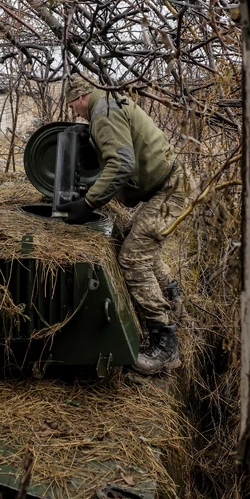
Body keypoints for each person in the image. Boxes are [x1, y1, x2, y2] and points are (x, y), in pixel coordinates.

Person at [57, 75, 193, 375]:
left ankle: (165, 344)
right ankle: (176, 305)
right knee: (135, 241)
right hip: (170, 185)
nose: (75, 113)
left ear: (81, 97)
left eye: (73, 107)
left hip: (169, 190)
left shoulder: (102, 112)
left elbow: (121, 163)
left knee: (133, 259)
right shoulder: (108, 103)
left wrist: (88, 203)